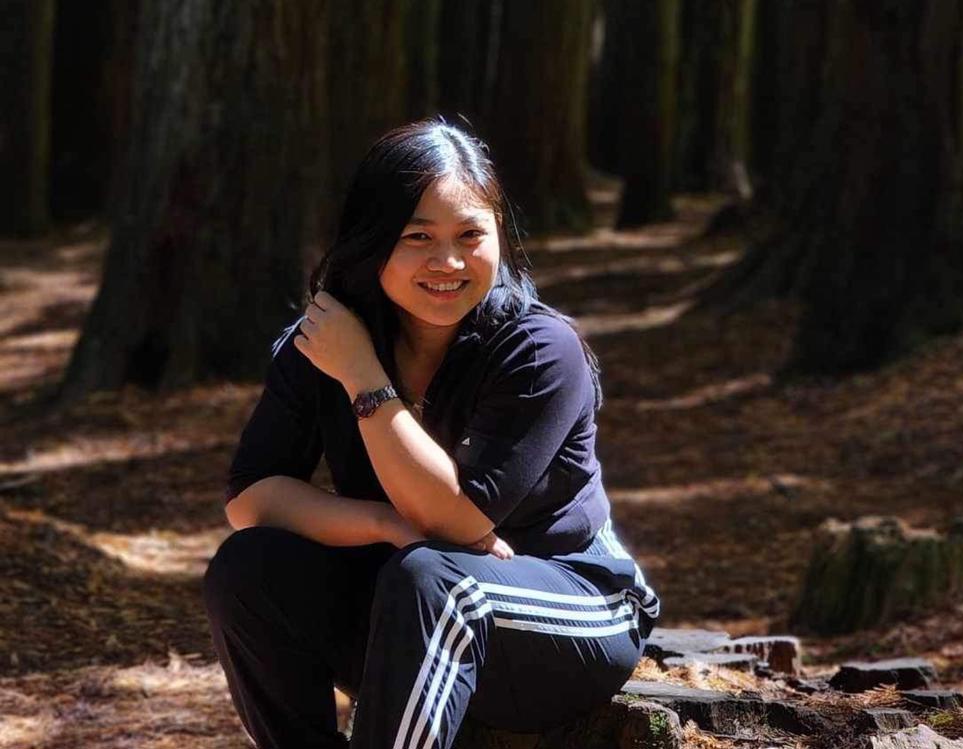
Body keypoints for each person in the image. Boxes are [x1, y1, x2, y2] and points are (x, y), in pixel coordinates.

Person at [202, 117, 661, 749]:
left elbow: (458, 521)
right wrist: (384, 523)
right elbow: (250, 498)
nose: (448, 262)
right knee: (246, 570)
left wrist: (363, 377)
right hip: (415, 609)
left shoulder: (539, 349)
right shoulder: (328, 343)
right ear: (371, 239)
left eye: (471, 235)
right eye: (418, 236)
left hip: (572, 610)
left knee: (436, 579)